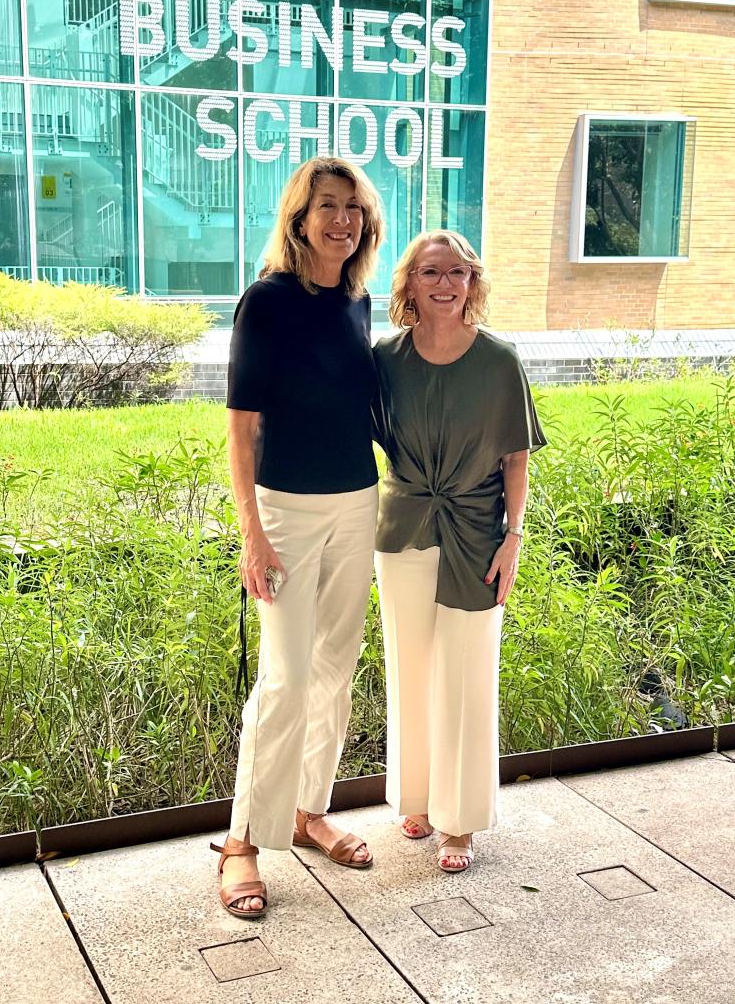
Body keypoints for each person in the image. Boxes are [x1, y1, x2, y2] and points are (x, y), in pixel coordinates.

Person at [212, 156, 385, 919]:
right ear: (298, 218)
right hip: (284, 511)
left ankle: (309, 812)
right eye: (327, 206)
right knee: (283, 676)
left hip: (356, 503)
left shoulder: (358, 301)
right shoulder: (267, 301)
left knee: (334, 667)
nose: (341, 219)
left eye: (352, 207)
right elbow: (242, 428)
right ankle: (243, 842)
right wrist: (252, 534)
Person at [373, 230, 545, 873]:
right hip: (403, 529)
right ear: (409, 284)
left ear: (472, 283)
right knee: (411, 666)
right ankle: (417, 797)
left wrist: (514, 539)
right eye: (430, 271)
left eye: (458, 272)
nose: (445, 283)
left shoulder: (500, 360)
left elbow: (516, 459)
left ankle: (461, 821)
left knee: (467, 675)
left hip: (478, 532)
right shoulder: (385, 359)